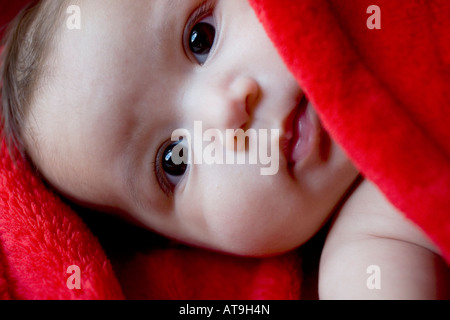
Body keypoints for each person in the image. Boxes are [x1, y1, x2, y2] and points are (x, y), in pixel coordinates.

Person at [1, 0, 448, 299]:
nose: (224, 115)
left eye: (201, 39)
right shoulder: (374, 237)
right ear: (192, 245)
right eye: (174, 160)